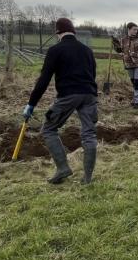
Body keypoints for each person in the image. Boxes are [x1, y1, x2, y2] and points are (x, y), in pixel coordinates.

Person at [22, 18, 99, 184]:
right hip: (90, 94)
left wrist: (31, 103)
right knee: (89, 134)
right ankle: (87, 178)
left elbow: (44, 80)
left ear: (58, 33)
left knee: (49, 129)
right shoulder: (87, 50)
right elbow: (92, 74)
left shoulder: (55, 50)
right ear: (73, 32)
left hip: (68, 95)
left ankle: (63, 168)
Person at [111, 22, 138, 109]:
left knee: (137, 81)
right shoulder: (123, 40)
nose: (136, 31)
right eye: (134, 29)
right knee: (134, 82)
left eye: (136, 29)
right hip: (128, 64)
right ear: (129, 29)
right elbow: (119, 50)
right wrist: (115, 42)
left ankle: (137, 101)